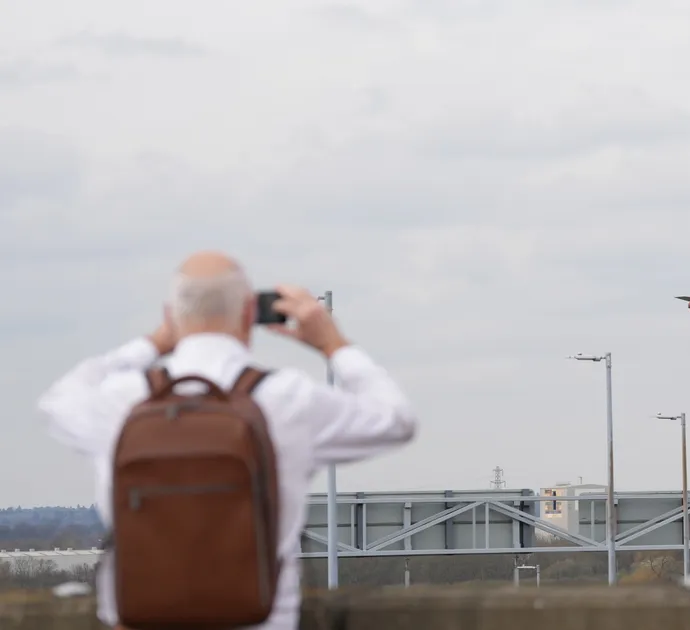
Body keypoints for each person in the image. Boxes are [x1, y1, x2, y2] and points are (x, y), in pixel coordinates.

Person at [37, 251, 418, 630]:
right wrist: (333, 343)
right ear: (250, 313)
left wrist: (152, 344)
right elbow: (396, 419)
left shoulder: (122, 400)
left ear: (171, 315)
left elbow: (57, 401)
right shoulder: (286, 398)